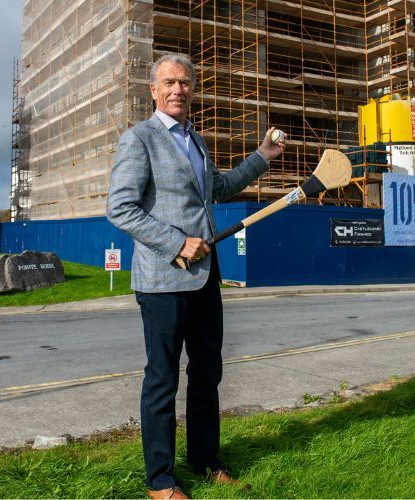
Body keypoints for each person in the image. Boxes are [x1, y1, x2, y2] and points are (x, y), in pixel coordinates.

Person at [107, 53, 285, 499]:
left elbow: (216, 190)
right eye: (168, 82)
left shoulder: (196, 140)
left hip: (206, 279)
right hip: (163, 282)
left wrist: (261, 157)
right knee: (163, 379)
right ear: (153, 90)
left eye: (185, 83)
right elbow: (120, 208)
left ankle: (205, 460)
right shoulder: (139, 140)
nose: (177, 90)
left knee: (208, 374)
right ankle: (161, 481)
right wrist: (175, 242)